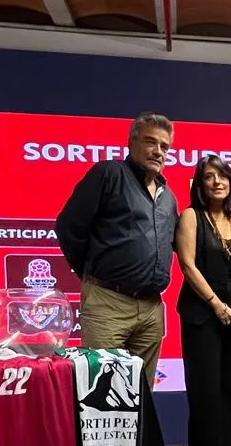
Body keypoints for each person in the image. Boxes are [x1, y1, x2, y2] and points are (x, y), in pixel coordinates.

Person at [57, 112, 179, 382]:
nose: (158, 151)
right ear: (131, 142)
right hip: (108, 303)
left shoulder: (168, 197)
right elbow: (69, 226)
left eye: (164, 146)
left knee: (142, 392)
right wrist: (90, 272)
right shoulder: (108, 173)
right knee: (103, 391)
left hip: (151, 308)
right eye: (150, 142)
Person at [175, 154, 231, 446]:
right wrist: (217, 305)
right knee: (205, 392)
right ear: (200, 184)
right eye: (209, 176)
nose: (217, 182)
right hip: (202, 316)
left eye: (222, 176)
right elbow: (188, 266)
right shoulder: (191, 216)